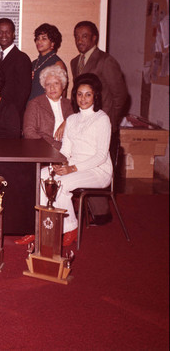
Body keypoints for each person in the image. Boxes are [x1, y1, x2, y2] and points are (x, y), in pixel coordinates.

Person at [17, 73, 113, 247]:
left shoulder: (102, 119)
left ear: (95, 96)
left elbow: (100, 156)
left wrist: (72, 169)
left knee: (61, 185)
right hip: (74, 166)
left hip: (97, 170)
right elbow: (66, 150)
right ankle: (38, 227)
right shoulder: (72, 119)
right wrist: (58, 164)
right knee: (40, 177)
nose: (83, 98)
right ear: (74, 96)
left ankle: (69, 228)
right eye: (79, 94)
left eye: (88, 94)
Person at [71, 20, 128, 224]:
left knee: (98, 164)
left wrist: (109, 122)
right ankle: (90, 209)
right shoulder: (75, 61)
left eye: (85, 36)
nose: (80, 40)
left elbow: (120, 95)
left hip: (102, 125)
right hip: (84, 124)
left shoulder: (106, 61)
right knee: (84, 161)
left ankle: (102, 213)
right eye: (77, 36)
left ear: (94, 38)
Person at [0, 18, 32, 126]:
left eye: (7, 32)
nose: (3, 35)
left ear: (13, 34)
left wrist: (11, 115)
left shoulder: (21, 58)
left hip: (11, 116)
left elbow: (23, 93)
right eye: (0, 32)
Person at [23, 65, 73, 150]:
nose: (52, 88)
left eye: (56, 83)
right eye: (48, 84)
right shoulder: (34, 104)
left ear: (63, 85)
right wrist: (54, 145)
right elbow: (29, 132)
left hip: (71, 150)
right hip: (43, 151)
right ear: (44, 87)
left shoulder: (71, 105)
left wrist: (67, 121)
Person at [29, 23, 67, 101]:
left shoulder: (57, 64)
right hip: (31, 105)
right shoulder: (33, 63)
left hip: (47, 107)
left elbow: (62, 93)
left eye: (44, 38)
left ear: (52, 43)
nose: (39, 41)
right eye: (37, 38)